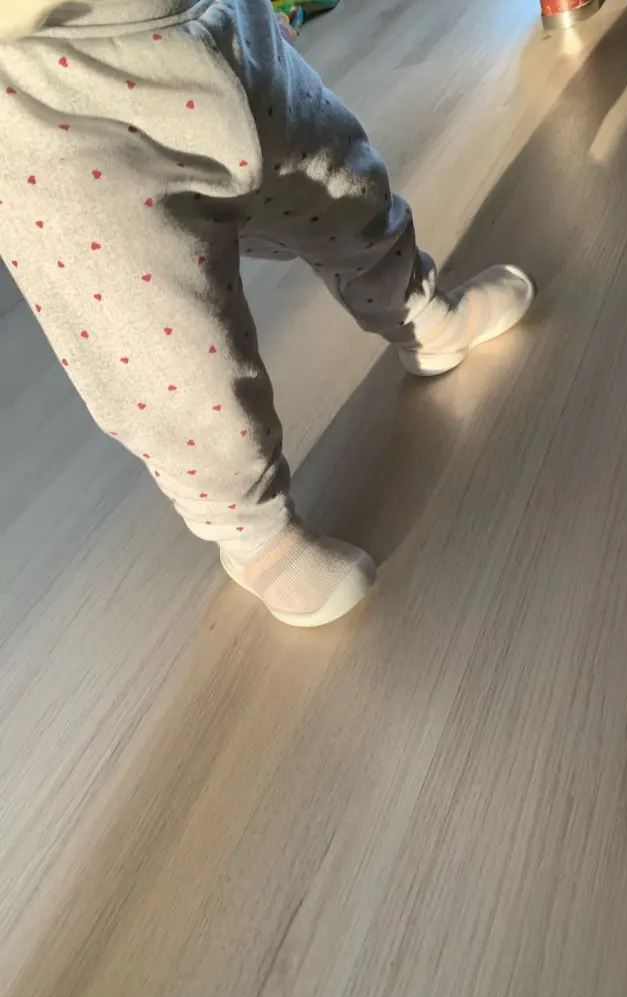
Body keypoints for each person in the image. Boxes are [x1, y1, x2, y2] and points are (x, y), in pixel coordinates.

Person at [0, 0, 534, 627]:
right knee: (166, 354)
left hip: (221, 20)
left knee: (343, 185)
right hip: (50, 99)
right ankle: (255, 534)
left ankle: (421, 316)